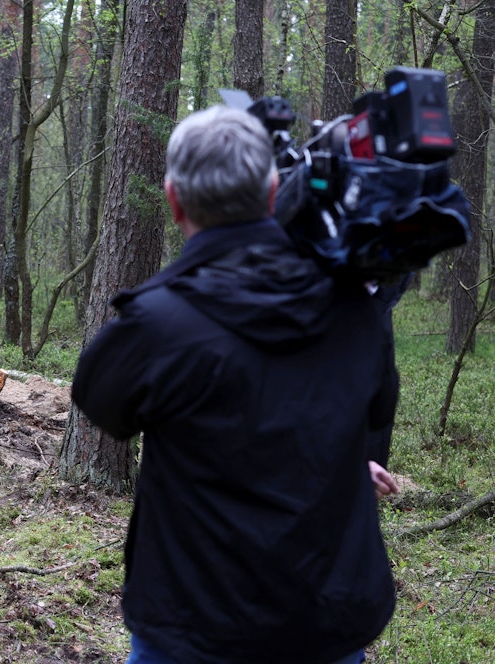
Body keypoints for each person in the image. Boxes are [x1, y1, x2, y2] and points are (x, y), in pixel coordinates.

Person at [71, 105, 399, 664]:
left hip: (191, 628)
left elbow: (99, 400)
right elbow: (364, 406)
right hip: (325, 622)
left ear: (174, 200)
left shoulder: (158, 323)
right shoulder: (352, 308)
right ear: (273, 192)